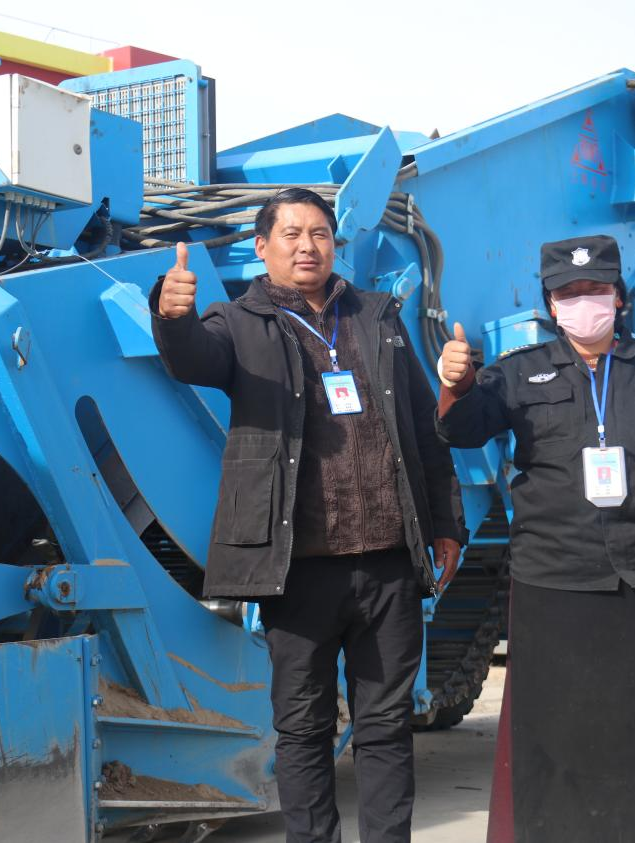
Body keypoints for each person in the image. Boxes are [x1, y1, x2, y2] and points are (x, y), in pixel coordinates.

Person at [150, 188, 466, 843]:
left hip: (387, 563)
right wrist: (171, 316)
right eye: (290, 234)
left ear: (333, 244)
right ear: (261, 247)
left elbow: (422, 427)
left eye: (319, 233)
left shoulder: (377, 317)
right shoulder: (238, 323)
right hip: (298, 570)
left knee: (385, 726)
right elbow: (192, 358)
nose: (306, 246)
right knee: (302, 728)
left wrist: (446, 524)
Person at [435, 234, 635, 843]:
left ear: (619, 298)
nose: (583, 302)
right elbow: (461, 430)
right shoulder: (516, 372)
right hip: (552, 577)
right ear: (551, 304)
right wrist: (456, 382)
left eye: (595, 290)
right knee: (558, 732)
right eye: (568, 293)